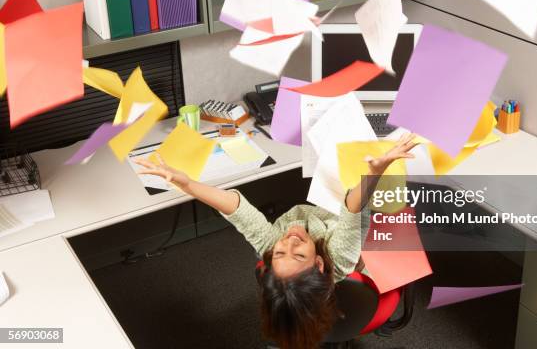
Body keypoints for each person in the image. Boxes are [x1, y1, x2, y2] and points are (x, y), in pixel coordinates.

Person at [135, 133, 417, 349]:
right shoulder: (338, 256)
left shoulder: (272, 246)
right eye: (298, 255)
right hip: (349, 225)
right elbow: (353, 211)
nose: (289, 242)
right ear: (319, 263)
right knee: (404, 218)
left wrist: (187, 185)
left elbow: (236, 209)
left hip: (325, 212)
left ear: (269, 261)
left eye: (281, 252)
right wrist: (376, 171)